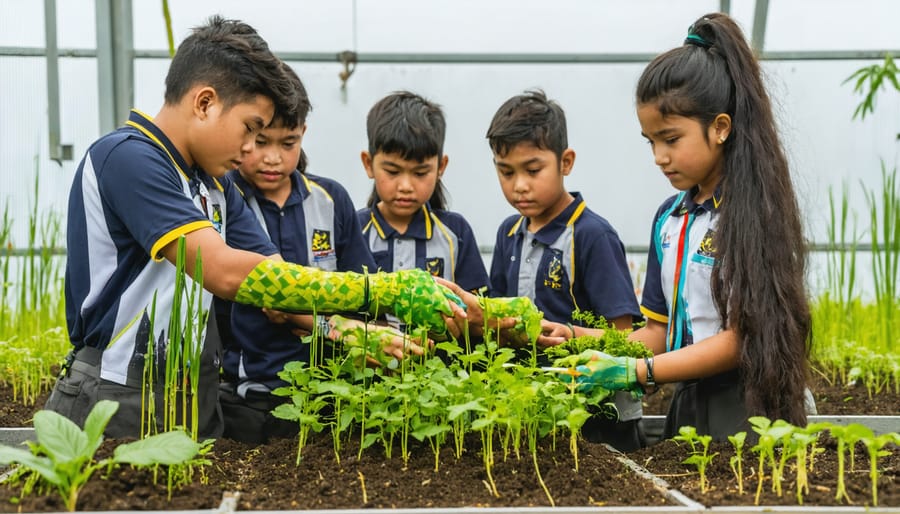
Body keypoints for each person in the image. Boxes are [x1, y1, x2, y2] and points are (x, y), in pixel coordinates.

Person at [47, 16, 461, 439]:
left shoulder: (216, 185)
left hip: (195, 391)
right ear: (205, 102)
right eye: (251, 130)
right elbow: (225, 271)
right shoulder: (129, 157)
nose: (252, 151)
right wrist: (384, 290)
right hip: (119, 391)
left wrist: (350, 330)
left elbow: (276, 289)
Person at [545, 13, 813, 441]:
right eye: (650, 141)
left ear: (720, 128)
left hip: (748, 407)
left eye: (671, 139)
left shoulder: (752, 214)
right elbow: (658, 331)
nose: (658, 156)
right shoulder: (669, 219)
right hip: (686, 402)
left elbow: (743, 337)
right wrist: (575, 336)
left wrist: (639, 371)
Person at [218, 65, 380, 443]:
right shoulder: (224, 198)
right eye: (261, 142)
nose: (273, 158)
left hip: (330, 393)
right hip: (248, 394)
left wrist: (306, 316)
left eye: (287, 143)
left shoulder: (331, 199)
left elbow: (363, 292)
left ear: (303, 135)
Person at [485, 90, 645, 451]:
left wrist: (571, 334)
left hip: (599, 415)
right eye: (505, 172)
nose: (519, 185)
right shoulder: (508, 233)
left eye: (533, 169)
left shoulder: (592, 235)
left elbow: (625, 336)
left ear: (566, 161)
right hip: (536, 409)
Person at [358, 91, 489, 300]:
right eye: (392, 172)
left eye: (420, 173)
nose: (406, 186)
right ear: (368, 163)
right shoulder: (355, 231)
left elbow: (477, 310)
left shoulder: (456, 233)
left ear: (441, 167)